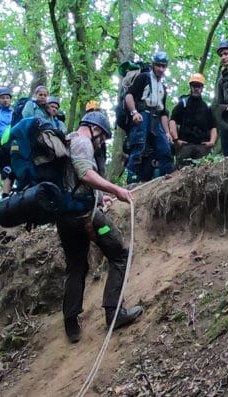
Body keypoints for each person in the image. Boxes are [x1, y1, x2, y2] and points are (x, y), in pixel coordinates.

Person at [58, 111, 143, 343]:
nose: (102, 142)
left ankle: (71, 324)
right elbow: (85, 174)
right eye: (103, 137)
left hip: (65, 219)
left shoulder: (67, 140)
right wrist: (115, 190)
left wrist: (100, 196)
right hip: (86, 216)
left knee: (76, 266)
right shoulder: (83, 142)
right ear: (95, 130)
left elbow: (74, 180)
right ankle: (115, 314)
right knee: (120, 254)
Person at [124, 50, 174, 183]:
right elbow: (129, 95)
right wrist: (134, 112)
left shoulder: (163, 87)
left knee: (165, 149)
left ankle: (167, 179)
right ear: (153, 65)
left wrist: (168, 132)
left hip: (156, 119)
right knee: (138, 147)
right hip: (143, 115)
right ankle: (132, 180)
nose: (161, 69)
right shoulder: (144, 77)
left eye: (163, 66)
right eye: (158, 65)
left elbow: (163, 112)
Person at [169, 73, 217, 169]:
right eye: (194, 85)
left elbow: (213, 126)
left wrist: (212, 142)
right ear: (191, 87)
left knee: (201, 174)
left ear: (202, 88)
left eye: (198, 86)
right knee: (180, 173)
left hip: (202, 147)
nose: (196, 88)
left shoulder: (206, 107)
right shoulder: (183, 104)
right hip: (185, 145)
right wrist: (176, 139)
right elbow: (172, 121)